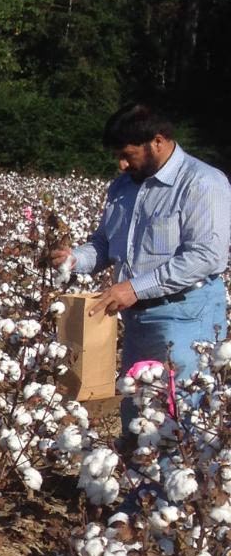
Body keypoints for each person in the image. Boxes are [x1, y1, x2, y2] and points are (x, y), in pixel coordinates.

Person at [50, 102, 229, 412]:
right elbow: (105, 243)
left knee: (180, 415)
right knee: (138, 413)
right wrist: (75, 258)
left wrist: (134, 288)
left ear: (157, 141)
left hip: (187, 317)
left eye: (127, 155)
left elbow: (205, 257)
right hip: (137, 319)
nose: (121, 165)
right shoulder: (123, 187)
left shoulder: (201, 183)